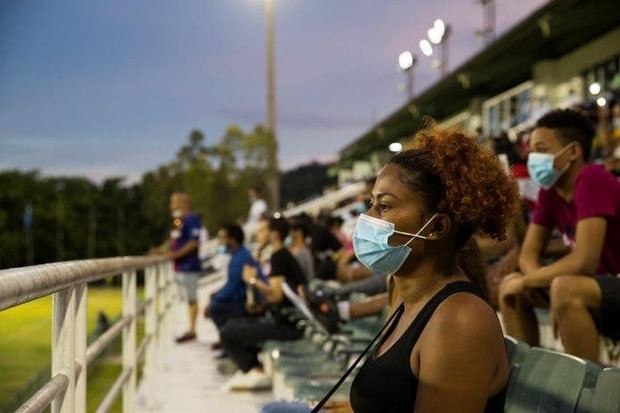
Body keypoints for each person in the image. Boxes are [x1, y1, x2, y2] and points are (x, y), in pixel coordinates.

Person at [263, 126, 516, 413]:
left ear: (435, 227)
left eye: (384, 206)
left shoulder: (460, 321)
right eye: (371, 204)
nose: (367, 218)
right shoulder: (407, 298)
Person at [498, 109, 620, 362]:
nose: (532, 157)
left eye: (541, 148)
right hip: (598, 285)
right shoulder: (550, 192)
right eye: (530, 150)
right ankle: (525, 377)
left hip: (610, 281)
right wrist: (533, 281)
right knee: (512, 289)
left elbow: (583, 260)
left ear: (573, 151)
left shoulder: (592, 178)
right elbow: (529, 253)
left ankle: (587, 393)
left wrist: (535, 281)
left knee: (565, 289)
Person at [220, 217, 308, 391]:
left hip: (288, 326)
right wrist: (261, 305)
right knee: (231, 324)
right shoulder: (280, 255)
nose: (257, 234)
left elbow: (276, 295)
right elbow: (279, 295)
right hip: (282, 319)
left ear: (273, 234)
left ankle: (254, 369)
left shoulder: (280, 256)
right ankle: (253, 367)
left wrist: (252, 280)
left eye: (262, 231)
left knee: (227, 332)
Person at [205, 224, 259, 332]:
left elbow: (233, 286)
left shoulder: (240, 258)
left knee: (214, 308)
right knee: (214, 298)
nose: (220, 242)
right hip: (240, 296)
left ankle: (227, 336)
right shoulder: (238, 254)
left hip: (243, 301)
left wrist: (216, 299)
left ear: (232, 240)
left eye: (223, 238)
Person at [164, 192, 202, 343]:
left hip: (189, 266)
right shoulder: (180, 220)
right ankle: (189, 329)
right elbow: (174, 240)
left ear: (183, 202)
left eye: (174, 202)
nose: (171, 205)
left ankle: (192, 330)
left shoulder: (192, 219)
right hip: (181, 266)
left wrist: (175, 255)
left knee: (191, 298)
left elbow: (194, 242)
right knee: (186, 299)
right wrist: (162, 250)